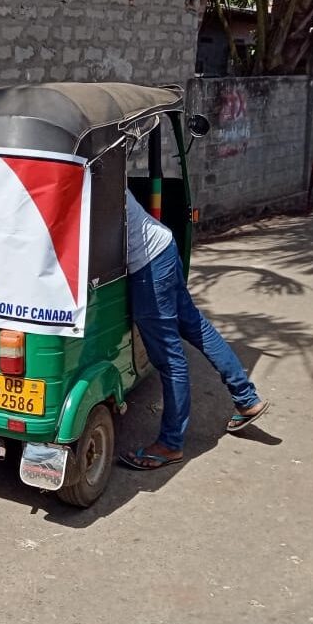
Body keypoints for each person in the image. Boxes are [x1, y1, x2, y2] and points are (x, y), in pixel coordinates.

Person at [121, 189, 269, 470]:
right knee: (195, 326)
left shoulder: (87, 174)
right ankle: (247, 399)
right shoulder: (95, 164)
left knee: (170, 359)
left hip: (148, 266)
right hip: (163, 248)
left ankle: (170, 444)